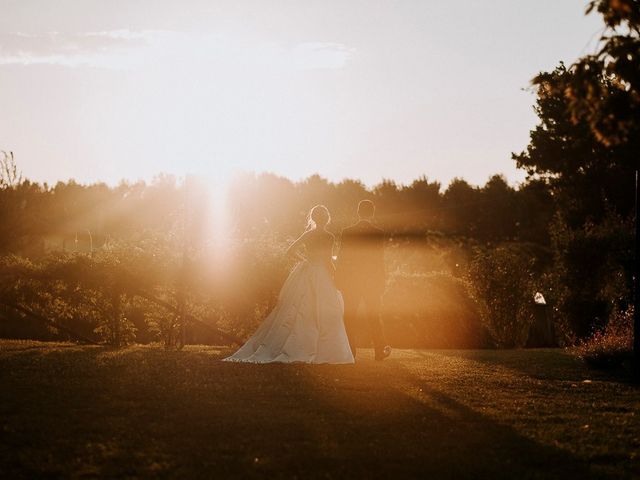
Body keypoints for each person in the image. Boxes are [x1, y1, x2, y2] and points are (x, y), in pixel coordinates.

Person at [224, 205, 354, 364]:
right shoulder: (329, 236)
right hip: (322, 275)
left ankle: (297, 345)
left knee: (298, 309)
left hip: (306, 271)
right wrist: (335, 274)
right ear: (327, 219)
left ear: (314, 218)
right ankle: (325, 349)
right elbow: (328, 260)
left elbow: (289, 251)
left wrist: (305, 260)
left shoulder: (308, 234)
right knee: (323, 311)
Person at [335, 200, 391, 361]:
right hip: (371, 282)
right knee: (374, 316)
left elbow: (341, 257)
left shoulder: (347, 231)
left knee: (349, 317)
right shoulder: (378, 232)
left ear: (358, 212)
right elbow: (379, 260)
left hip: (351, 281)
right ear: (372, 213)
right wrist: (382, 282)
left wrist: (338, 279)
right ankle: (379, 350)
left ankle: (349, 351)